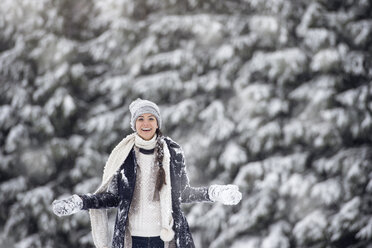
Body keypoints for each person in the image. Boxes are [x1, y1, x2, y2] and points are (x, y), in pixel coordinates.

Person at [52, 98, 242, 248]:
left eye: (151, 118)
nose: (146, 123)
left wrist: (215, 193)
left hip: (166, 239)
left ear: (157, 123)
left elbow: (182, 194)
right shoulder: (123, 155)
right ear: (134, 124)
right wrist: (81, 202)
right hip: (132, 241)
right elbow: (112, 198)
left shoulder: (173, 152)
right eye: (140, 119)